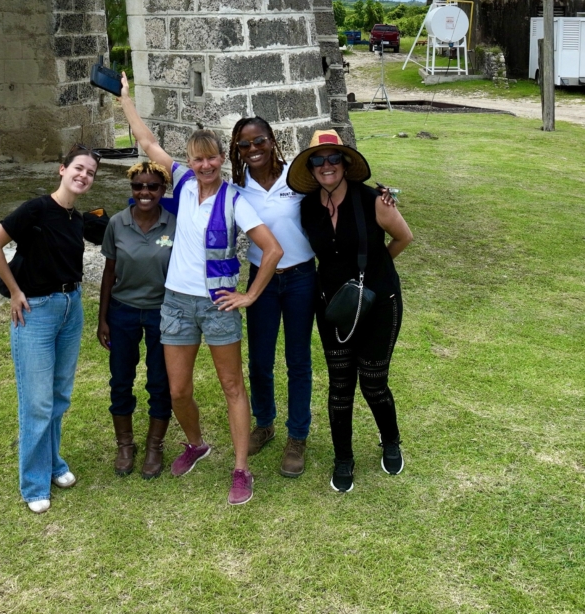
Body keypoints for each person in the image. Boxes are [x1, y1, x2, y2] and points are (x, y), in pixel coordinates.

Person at [118, 74, 283, 505]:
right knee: (178, 390)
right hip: (176, 303)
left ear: (221, 160)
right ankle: (196, 444)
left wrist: (249, 295)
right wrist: (126, 99)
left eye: (211, 159)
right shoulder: (184, 184)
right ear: (189, 162)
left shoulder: (235, 200)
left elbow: (272, 250)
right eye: (197, 159)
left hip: (217, 304)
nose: (205, 166)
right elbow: (147, 141)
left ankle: (241, 469)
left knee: (232, 387)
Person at [287, 129, 413, 494]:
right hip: (333, 306)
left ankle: (390, 440)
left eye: (333, 158)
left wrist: (373, 273)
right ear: (311, 167)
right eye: (318, 160)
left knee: (373, 382)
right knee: (340, 386)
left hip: (380, 303)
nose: (326, 166)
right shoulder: (306, 207)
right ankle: (343, 458)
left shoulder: (375, 200)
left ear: (344, 164)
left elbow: (404, 237)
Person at [0, 144, 107, 514]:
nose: (83, 176)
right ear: (62, 169)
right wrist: (15, 291)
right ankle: (34, 483)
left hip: (71, 308)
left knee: (58, 395)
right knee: (37, 401)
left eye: (90, 173)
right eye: (78, 168)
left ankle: (53, 463)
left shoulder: (76, 219)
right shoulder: (36, 209)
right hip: (35, 311)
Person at [228, 117, 318, 478]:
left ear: (272, 140)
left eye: (259, 141)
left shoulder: (298, 176)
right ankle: (264, 424)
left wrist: (380, 195)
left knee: (298, 360)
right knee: (260, 360)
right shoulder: (238, 187)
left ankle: (297, 436)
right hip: (262, 281)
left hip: (301, 278)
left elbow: (336, 190)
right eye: (244, 145)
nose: (253, 149)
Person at [97, 160, 176, 479]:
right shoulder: (117, 223)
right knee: (121, 379)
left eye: (152, 186)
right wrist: (103, 319)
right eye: (138, 186)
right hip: (123, 311)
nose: (145, 192)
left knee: (160, 380)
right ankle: (125, 445)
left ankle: (155, 446)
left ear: (163, 189)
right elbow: (109, 273)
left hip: (162, 312)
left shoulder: (173, 224)